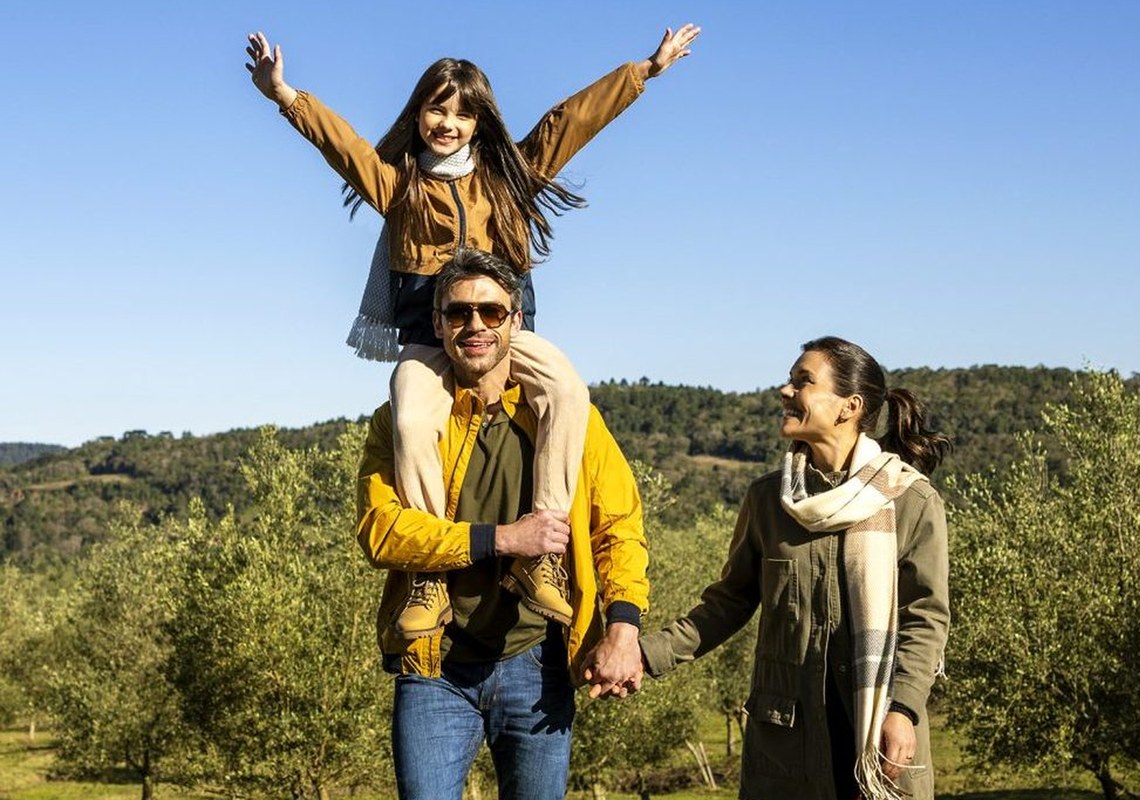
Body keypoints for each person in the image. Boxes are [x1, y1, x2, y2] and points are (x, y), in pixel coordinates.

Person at [245, 25, 698, 635]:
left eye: (461, 112)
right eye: (437, 108)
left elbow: (570, 122)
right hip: (432, 344)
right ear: (420, 112)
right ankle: (431, 576)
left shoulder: (509, 180)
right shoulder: (400, 188)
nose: (448, 122)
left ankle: (541, 557)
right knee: (409, 414)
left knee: (566, 391)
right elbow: (344, 146)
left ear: (480, 120)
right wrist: (284, 94)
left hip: (509, 340)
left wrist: (645, 70)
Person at [355, 249, 648, 798]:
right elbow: (380, 530)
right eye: (459, 313)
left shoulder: (569, 418)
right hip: (434, 666)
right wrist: (502, 540)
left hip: (538, 663)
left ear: (516, 320)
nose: (475, 325)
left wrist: (624, 626)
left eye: (491, 313)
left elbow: (619, 525)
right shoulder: (398, 422)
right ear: (438, 324)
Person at [636, 336, 951, 800]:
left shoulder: (910, 500)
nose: (785, 391)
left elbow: (926, 618)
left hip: (881, 735)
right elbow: (729, 603)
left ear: (850, 406)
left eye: (803, 381)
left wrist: (903, 708)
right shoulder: (767, 500)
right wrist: (645, 655)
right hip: (787, 748)